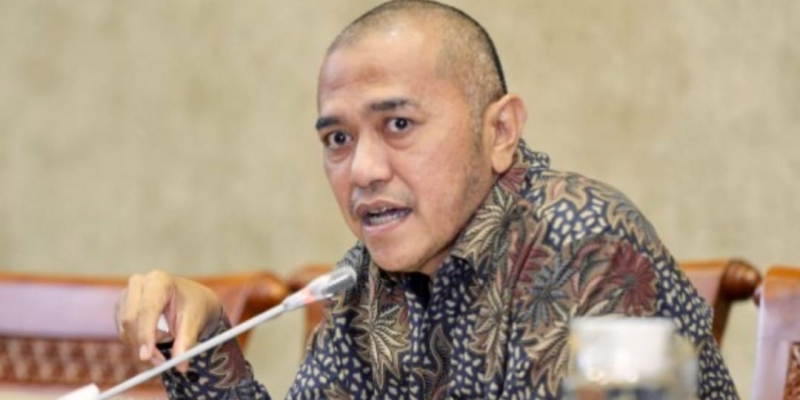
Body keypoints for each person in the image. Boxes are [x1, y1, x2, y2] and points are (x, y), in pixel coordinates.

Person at [115, 1, 739, 399]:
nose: (363, 170)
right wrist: (204, 342)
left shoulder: (596, 245)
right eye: (338, 139)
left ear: (500, 131)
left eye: (399, 125)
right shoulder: (368, 283)